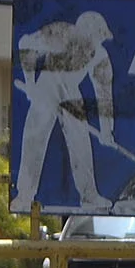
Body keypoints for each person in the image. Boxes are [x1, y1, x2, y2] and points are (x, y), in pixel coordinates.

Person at [12, 11, 120, 214]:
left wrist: (107, 132)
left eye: (99, 39)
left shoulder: (100, 57)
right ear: (83, 32)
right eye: (95, 37)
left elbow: (104, 97)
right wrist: (30, 84)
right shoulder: (60, 34)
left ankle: (90, 196)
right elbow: (25, 45)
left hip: (71, 92)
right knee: (34, 139)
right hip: (47, 85)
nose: (96, 44)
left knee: (81, 143)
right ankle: (24, 196)